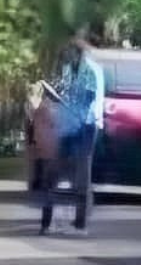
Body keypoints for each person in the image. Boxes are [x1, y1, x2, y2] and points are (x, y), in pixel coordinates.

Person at [40, 34, 105, 235]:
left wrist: (67, 109)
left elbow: (88, 101)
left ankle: (80, 223)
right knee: (53, 171)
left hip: (85, 126)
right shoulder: (68, 70)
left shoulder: (92, 71)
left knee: (82, 174)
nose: (64, 56)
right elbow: (62, 94)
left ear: (77, 52)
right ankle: (46, 222)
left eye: (67, 52)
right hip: (66, 125)